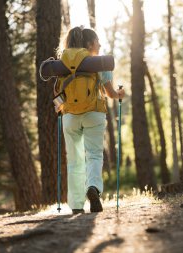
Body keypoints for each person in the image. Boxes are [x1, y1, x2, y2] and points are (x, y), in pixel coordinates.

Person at [56, 27, 125, 213]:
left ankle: (76, 206)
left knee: (74, 160)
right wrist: (120, 94)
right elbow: (111, 94)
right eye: (97, 41)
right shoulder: (98, 63)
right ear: (88, 44)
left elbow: (58, 91)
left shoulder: (62, 62)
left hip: (70, 115)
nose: (100, 45)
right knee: (94, 154)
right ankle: (93, 187)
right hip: (94, 113)